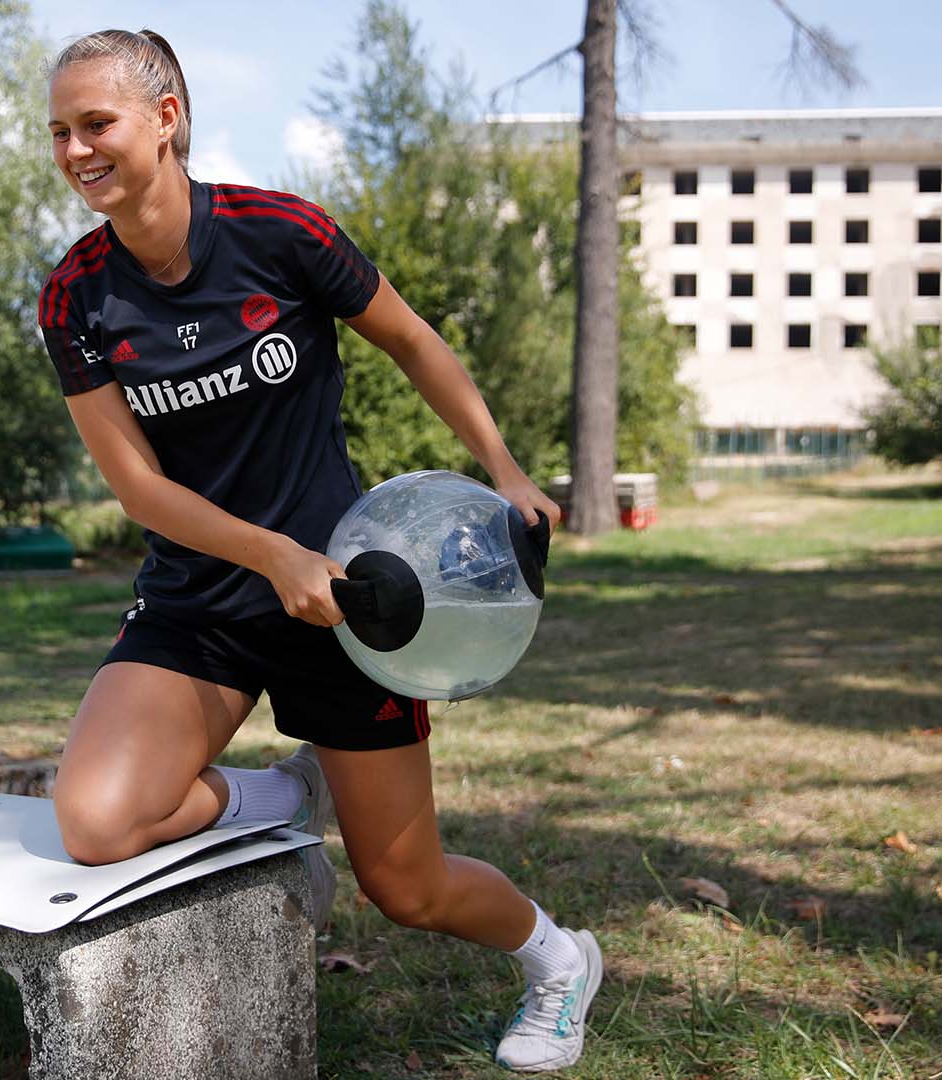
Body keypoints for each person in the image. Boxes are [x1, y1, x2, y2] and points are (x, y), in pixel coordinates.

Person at [39, 28, 600, 1074]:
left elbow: (413, 341)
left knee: (408, 890)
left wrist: (506, 470)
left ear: (166, 119)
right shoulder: (75, 294)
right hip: (201, 599)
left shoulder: (278, 232)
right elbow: (138, 487)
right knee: (97, 823)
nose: (77, 150)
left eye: (97, 123)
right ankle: (279, 795)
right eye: (60, 132)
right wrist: (267, 556)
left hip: (344, 601)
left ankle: (561, 962)